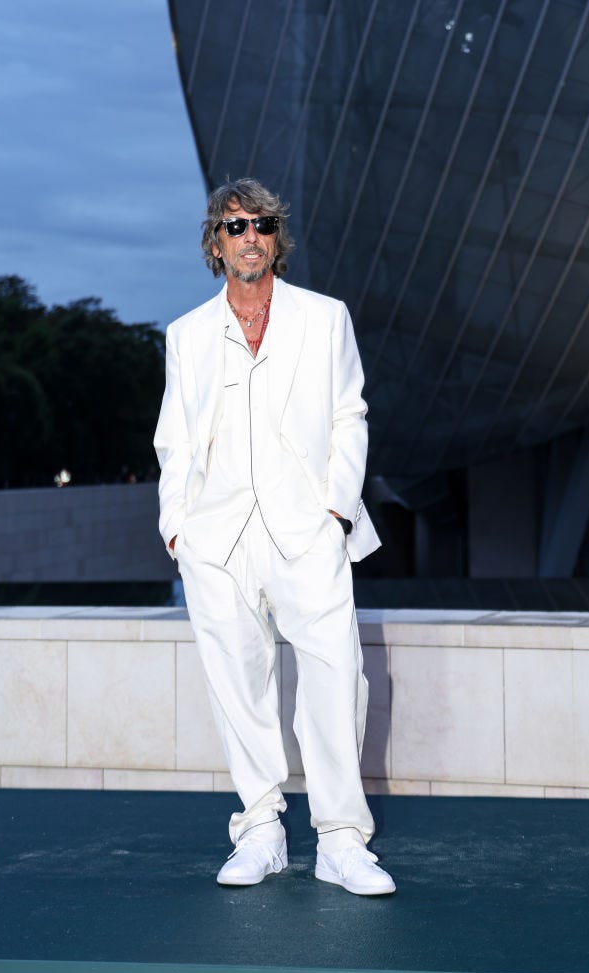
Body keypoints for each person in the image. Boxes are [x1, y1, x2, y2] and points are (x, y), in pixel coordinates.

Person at [154, 178, 395, 897]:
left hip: (306, 531)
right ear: (214, 242)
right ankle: (259, 830)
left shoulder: (325, 319)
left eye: (260, 224)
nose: (248, 235)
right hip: (218, 539)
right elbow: (173, 441)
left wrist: (336, 511)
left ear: (275, 236)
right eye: (234, 226)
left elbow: (350, 414)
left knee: (333, 680)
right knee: (238, 687)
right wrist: (178, 531)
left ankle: (341, 841)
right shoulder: (187, 334)